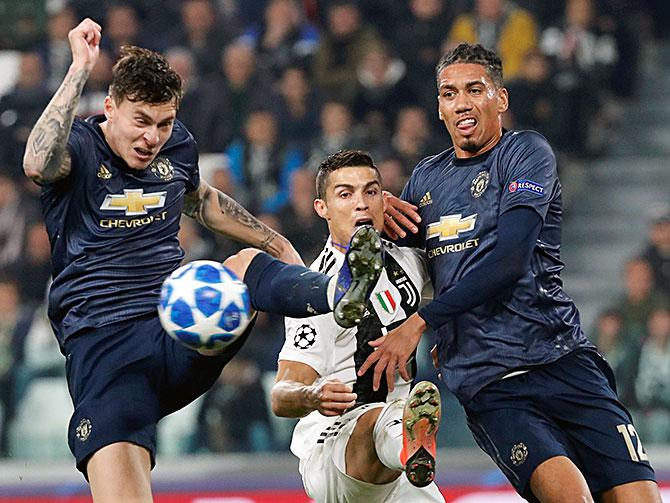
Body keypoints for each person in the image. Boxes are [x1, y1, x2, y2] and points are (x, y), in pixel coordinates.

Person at [22, 19, 380, 502]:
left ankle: (335, 291)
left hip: (181, 328)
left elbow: (202, 200)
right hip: (106, 355)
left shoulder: (177, 147)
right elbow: (36, 164)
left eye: (164, 123)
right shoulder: (81, 149)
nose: (153, 138)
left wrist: (276, 244)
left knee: (245, 266)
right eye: (141, 122)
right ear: (110, 108)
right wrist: (79, 69)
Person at [358, 43, 662, 502]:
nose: (460, 102)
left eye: (474, 89)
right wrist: (372, 220)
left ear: (500, 99)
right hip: (491, 383)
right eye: (448, 93)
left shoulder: (525, 153)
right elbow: (406, 271)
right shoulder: (424, 180)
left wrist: (424, 322)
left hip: (562, 359)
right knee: (569, 497)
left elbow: (510, 258)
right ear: (439, 108)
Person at [271, 150, 443, 502]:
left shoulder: (407, 261)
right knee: (379, 417)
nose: (361, 204)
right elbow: (280, 394)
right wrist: (313, 395)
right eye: (346, 194)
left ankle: (411, 446)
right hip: (335, 447)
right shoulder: (316, 291)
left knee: (391, 416)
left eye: (371, 191)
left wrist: (454, 337)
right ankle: (410, 442)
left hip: (396, 465)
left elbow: (463, 286)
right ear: (322, 208)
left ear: (385, 199)